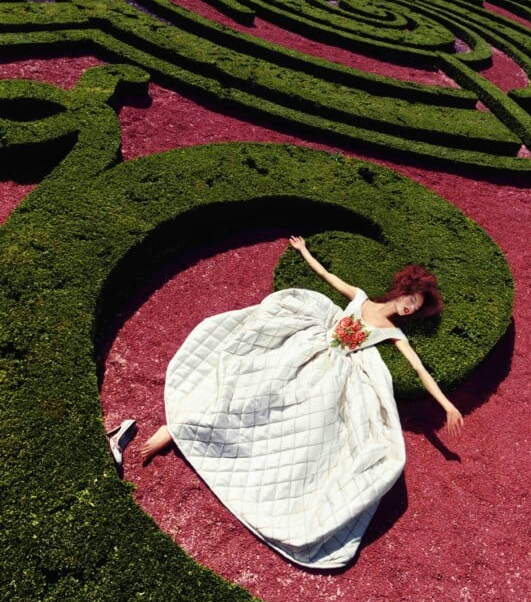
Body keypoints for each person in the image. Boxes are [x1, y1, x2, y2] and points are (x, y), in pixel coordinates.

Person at [140, 236, 463, 568]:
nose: (409, 307)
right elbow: (328, 277)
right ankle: (182, 426)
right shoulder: (361, 299)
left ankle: (197, 437)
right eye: (410, 298)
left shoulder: (393, 332)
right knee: (253, 386)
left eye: (415, 307)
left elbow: (419, 368)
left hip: (334, 373)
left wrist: (446, 405)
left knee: (300, 425)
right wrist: (304, 251)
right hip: (306, 348)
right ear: (401, 289)